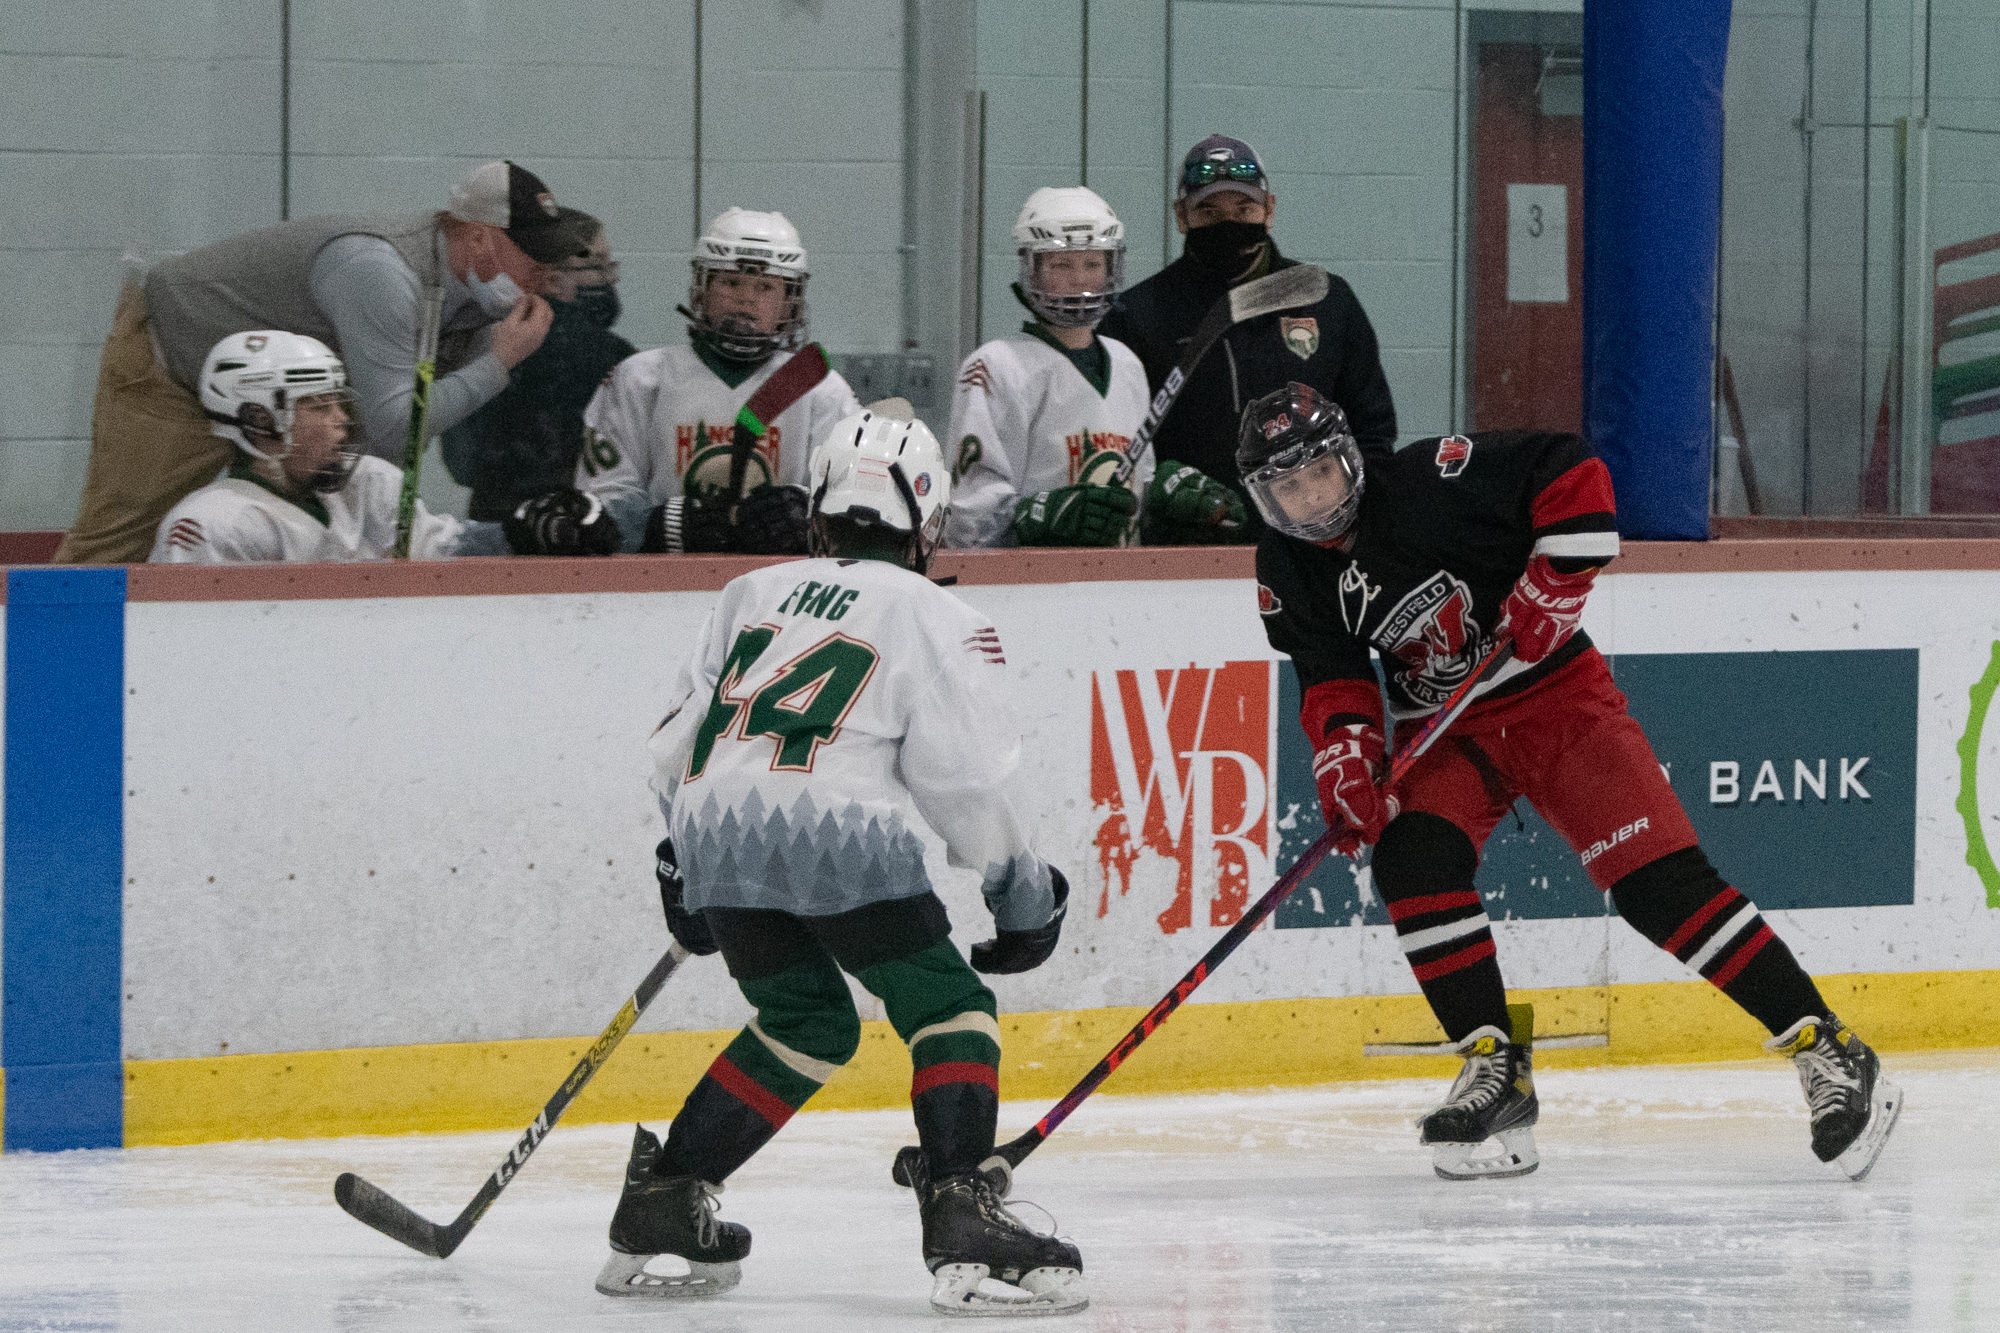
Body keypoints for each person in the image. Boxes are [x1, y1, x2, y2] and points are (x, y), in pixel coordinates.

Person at [1240, 381, 1902, 1182]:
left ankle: (1826, 1045)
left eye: (1320, 476)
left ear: (1350, 460)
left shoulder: (1427, 481)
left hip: (1557, 698)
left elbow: (1570, 466)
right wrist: (1345, 756)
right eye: (1288, 490)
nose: (1312, 502)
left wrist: (1555, 582)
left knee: (1658, 887)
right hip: (1449, 729)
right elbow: (1330, 673)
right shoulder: (1286, 563)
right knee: (1412, 859)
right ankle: (1496, 1071)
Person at [603, 407, 1086, 1316]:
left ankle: (667, 1194)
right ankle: (959, 1205)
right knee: (948, 1006)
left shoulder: (747, 590)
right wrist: (1019, 888)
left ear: (818, 507)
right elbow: (966, 778)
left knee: (806, 1018)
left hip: (715, 824)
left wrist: (680, 856)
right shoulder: (938, 611)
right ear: (929, 521)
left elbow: (678, 741)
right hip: (833, 831)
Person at [59, 159, 566, 565]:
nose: (545, 271)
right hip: (175, 364)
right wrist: (498, 363)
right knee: (113, 547)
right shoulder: (377, 271)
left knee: (338, 530)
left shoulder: (472, 304)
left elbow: (387, 440)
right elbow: (395, 428)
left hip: (291, 404)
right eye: (533, 254)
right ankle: (55, 688)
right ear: (479, 239)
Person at [1098, 134, 1397, 544]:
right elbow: (1116, 446)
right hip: (1183, 555)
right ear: (1180, 215)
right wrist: (1161, 500)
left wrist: (1359, 522)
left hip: (1314, 548)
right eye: (1208, 210)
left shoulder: (1326, 300)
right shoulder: (1137, 316)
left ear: (1269, 210)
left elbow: (1373, 429)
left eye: (1244, 208)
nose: (1229, 224)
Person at [510, 208, 862, 556]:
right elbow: (604, 506)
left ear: (790, 302)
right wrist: (654, 527)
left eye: (765, 287)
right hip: (660, 586)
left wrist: (811, 518)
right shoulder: (640, 378)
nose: (746, 298)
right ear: (702, 290)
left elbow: (856, 512)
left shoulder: (820, 390)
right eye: (731, 282)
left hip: (781, 593)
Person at [148, 331, 506, 563]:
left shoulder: (369, 484)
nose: (340, 419)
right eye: (320, 406)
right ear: (261, 421)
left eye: (338, 403)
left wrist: (520, 531)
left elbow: (444, 551)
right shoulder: (212, 525)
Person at [944, 187, 1151, 548]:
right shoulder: (995, 366)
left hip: (1120, 585)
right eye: (1061, 264)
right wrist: (1034, 517)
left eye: (1092, 264)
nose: (1080, 280)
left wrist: (1162, 501)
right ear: (1032, 271)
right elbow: (966, 520)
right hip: (1031, 589)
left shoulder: (1127, 363)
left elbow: (1138, 491)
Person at [441, 208, 637, 524]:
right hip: (583, 527)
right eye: (596, 266)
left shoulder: (481, 345)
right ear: (554, 280)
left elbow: (460, 462)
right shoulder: (616, 357)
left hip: (494, 526)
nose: (610, 277)